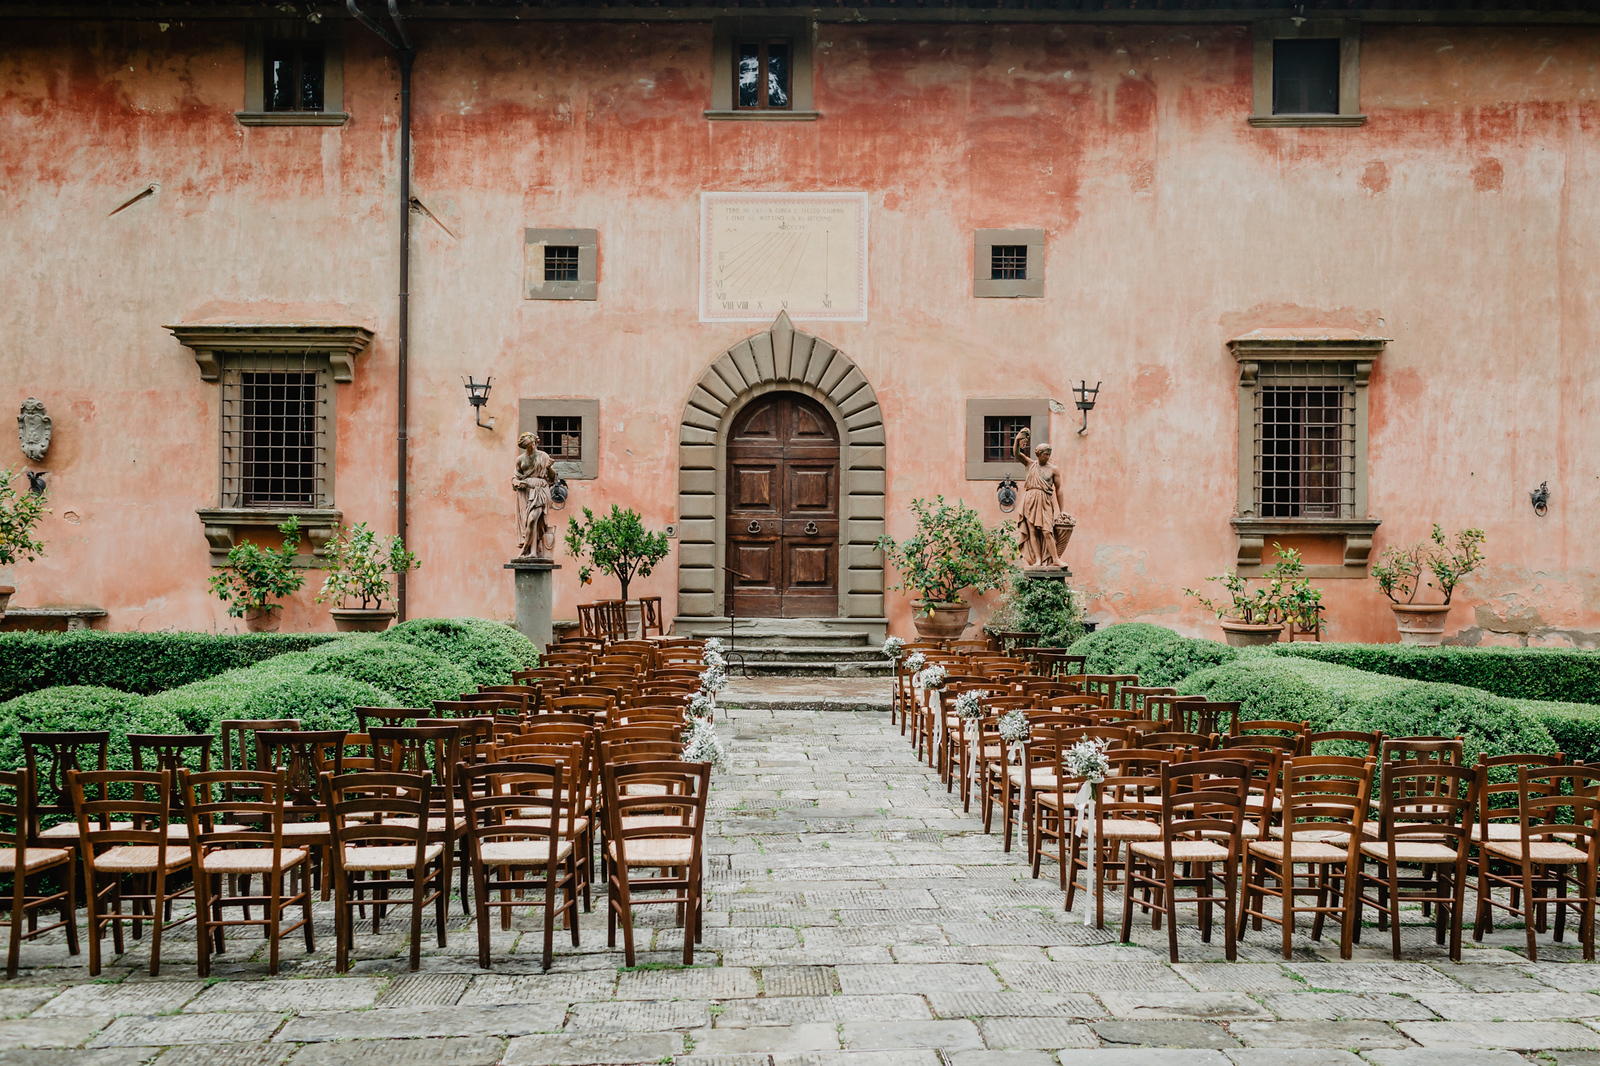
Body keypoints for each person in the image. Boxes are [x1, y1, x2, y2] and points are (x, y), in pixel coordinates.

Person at [1014, 427, 1071, 568]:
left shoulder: (1053, 469)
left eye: (1049, 454)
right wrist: (1017, 439)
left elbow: (1059, 490)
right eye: (1045, 454)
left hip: (1045, 501)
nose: (1048, 457)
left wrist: (1062, 510)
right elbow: (1016, 453)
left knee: (1047, 531)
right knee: (1032, 531)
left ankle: (1055, 559)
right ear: (1038, 454)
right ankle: (1037, 560)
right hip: (1030, 500)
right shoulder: (1030, 464)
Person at [513, 432, 556, 559]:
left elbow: (552, 478)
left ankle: (524, 551)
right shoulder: (520, 459)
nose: (531, 447)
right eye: (527, 446)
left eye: (532, 444)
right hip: (526, 492)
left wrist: (548, 468)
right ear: (524, 446)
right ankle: (533, 552)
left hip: (540, 490)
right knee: (529, 522)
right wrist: (517, 482)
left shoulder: (543, 456)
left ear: (535, 442)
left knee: (532, 519)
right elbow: (515, 477)